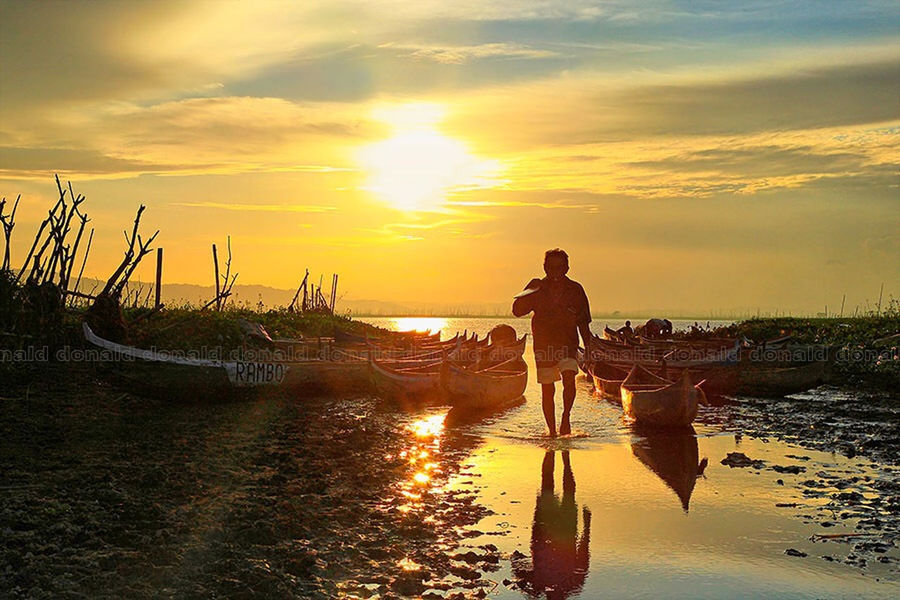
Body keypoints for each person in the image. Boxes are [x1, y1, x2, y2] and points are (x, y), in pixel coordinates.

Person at [512, 249, 592, 437]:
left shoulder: (576, 290)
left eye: (559, 267)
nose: (555, 272)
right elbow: (517, 311)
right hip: (544, 345)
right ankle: (552, 430)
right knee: (548, 389)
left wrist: (589, 349)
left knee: (569, 380)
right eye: (550, 267)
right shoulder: (537, 288)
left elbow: (583, 322)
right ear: (544, 268)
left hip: (568, 343)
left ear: (566, 268)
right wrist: (528, 289)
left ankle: (566, 418)